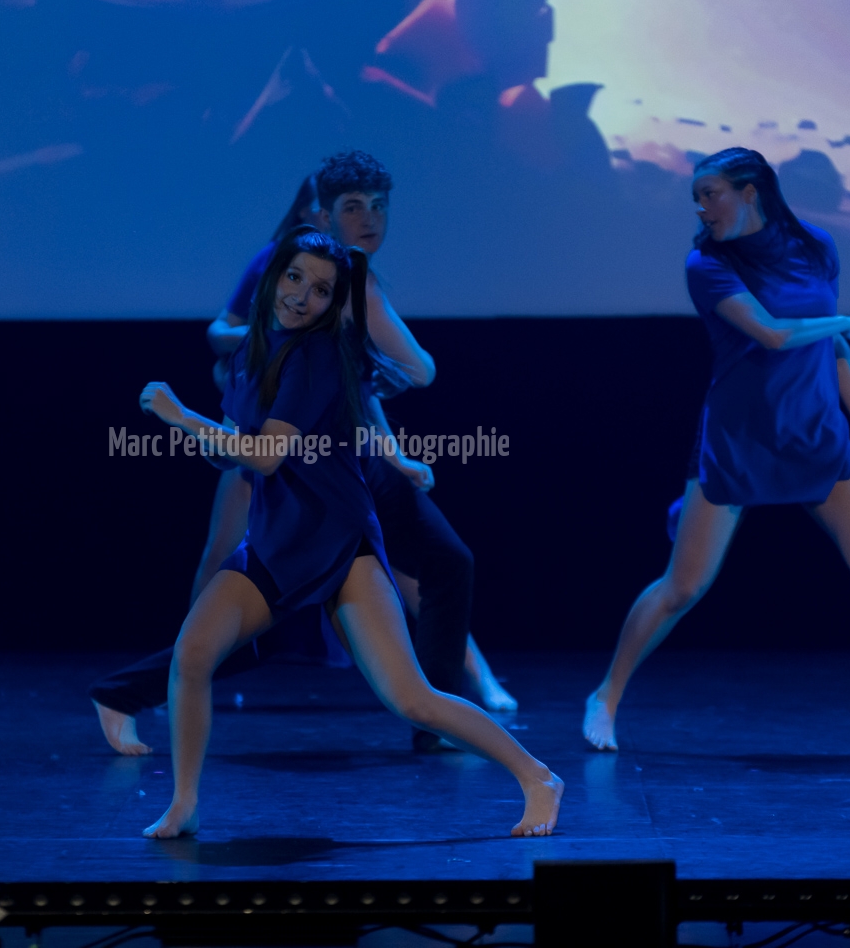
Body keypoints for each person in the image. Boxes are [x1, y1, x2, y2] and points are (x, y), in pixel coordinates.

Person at [136, 227, 560, 838]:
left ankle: (537, 777)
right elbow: (233, 451)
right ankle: (184, 804)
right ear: (272, 277)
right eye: (294, 277)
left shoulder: (315, 359)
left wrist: (181, 415)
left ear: (333, 303)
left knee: (409, 697)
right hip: (277, 541)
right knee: (192, 654)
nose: (301, 295)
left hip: (337, 543)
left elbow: (265, 457)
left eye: (320, 290)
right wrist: (204, 436)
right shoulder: (251, 352)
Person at [90, 154, 515, 757]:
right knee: (269, 613)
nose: (370, 219)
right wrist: (198, 418)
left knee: (435, 573)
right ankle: (134, 693)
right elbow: (250, 407)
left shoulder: (349, 292)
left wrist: (391, 445)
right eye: (353, 207)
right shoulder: (286, 311)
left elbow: (376, 386)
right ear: (321, 215)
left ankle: (455, 720)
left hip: (340, 474)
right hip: (308, 483)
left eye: (379, 206)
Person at [582, 147, 850, 755]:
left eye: (710, 194)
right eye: (697, 197)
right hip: (740, 440)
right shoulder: (707, 264)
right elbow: (773, 333)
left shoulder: (815, 247)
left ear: (750, 192)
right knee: (683, 587)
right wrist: (845, 322)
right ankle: (605, 694)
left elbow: (832, 347)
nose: (701, 208)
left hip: (816, 431)